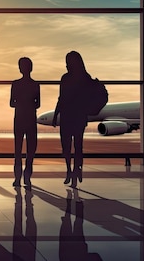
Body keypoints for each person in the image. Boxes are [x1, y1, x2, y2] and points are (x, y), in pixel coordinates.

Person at [52, 51, 91, 186]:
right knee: (77, 146)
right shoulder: (85, 77)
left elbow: (61, 98)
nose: (66, 65)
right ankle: (74, 170)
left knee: (68, 147)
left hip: (69, 116)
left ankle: (71, 170)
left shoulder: (66, 78)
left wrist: (56, 114)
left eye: (68, 62)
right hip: (77, 116)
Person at [10, 57, 40, 188]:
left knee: (18, 149)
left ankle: (17, 178)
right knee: (30, 150)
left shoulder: (15, 84)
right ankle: (27, 178)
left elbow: (11, 103)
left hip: (19, 118)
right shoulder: (35, 84)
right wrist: (29, 104)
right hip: (30, 118)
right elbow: (37, 104)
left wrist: (20, 103)